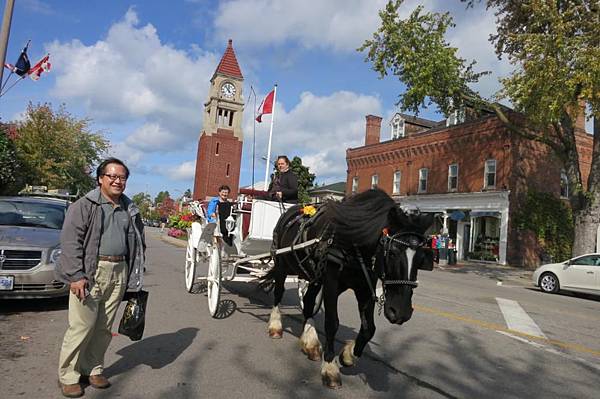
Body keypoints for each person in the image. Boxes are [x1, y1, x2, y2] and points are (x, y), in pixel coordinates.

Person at [55, 157, 146, 398]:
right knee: (81, 327)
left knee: (104, 328)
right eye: (112, 176)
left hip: (119, 271)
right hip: (91, 272)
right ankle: (68, 375)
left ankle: (92, 369)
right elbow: (70, 242)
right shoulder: (85, 206)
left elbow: (138, 243)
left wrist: (134, 275)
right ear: (100, 179)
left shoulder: (130, 208)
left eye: (122, 177)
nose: (118, 181)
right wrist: (76, 275)